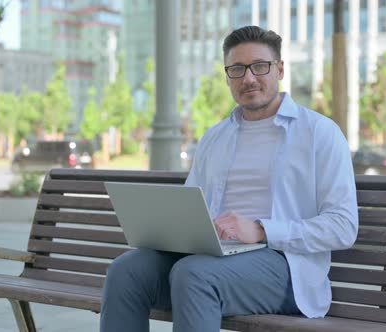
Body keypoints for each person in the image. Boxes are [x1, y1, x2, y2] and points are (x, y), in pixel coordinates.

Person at [100, 25, 358, 332]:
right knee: (126, 271)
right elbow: (190, 207)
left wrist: (262, 230)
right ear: (227, 77)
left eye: (259, 66)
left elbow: (344, 226)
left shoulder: (319, 133)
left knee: (194, 274)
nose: (248, 78)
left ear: (280, 70)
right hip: (212, 257)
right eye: (237, 69)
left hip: (285, 267)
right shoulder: (215, 137)